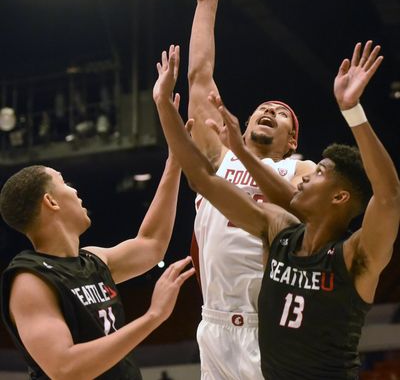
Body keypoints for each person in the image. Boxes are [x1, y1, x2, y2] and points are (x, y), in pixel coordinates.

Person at [153, 41, 400, 379]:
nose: (304, 180)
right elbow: (203, 181)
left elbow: (388, 196)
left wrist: (353, 111)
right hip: (225, 332)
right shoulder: (280, 231)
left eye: (317, 175)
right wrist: (165, 107)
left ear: (339, 197)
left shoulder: (353, 256)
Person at [176, 0, 316, 379]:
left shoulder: (299, 167)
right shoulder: (221, 158)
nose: (270, 111)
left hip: (268, 324)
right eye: (263, 108)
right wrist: (206, 4)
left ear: (292, 139)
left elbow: (301, 211)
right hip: (214, 323)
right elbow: (200, 79)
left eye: (282, 113)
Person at [0, 130, 195, 380]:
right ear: (51, 201)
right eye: (65, 184)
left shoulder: (93, 260)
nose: (75, 192)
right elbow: (65, 369)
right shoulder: (30, 280)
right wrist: (152, 316)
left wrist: (174, 163)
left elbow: (151, 243)